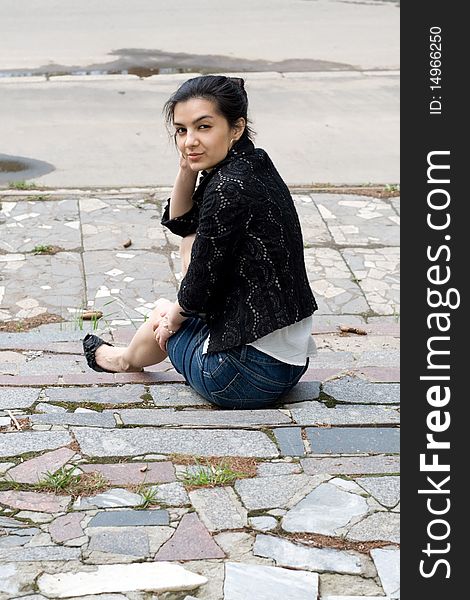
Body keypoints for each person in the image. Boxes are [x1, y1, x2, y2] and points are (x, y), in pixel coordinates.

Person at [83, 74, 318, 409]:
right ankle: (127, 356)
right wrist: (187, 170)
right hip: (289, 367)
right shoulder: (252, 164)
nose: (189, 140)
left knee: (164, 312)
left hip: (241, 379)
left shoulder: (228, 187)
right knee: (191, 243)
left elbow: (198, 288)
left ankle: (121, 361)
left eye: (203, 127)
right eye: (182, 130)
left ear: (236, 128)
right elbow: (183, 224)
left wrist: (173, 317)